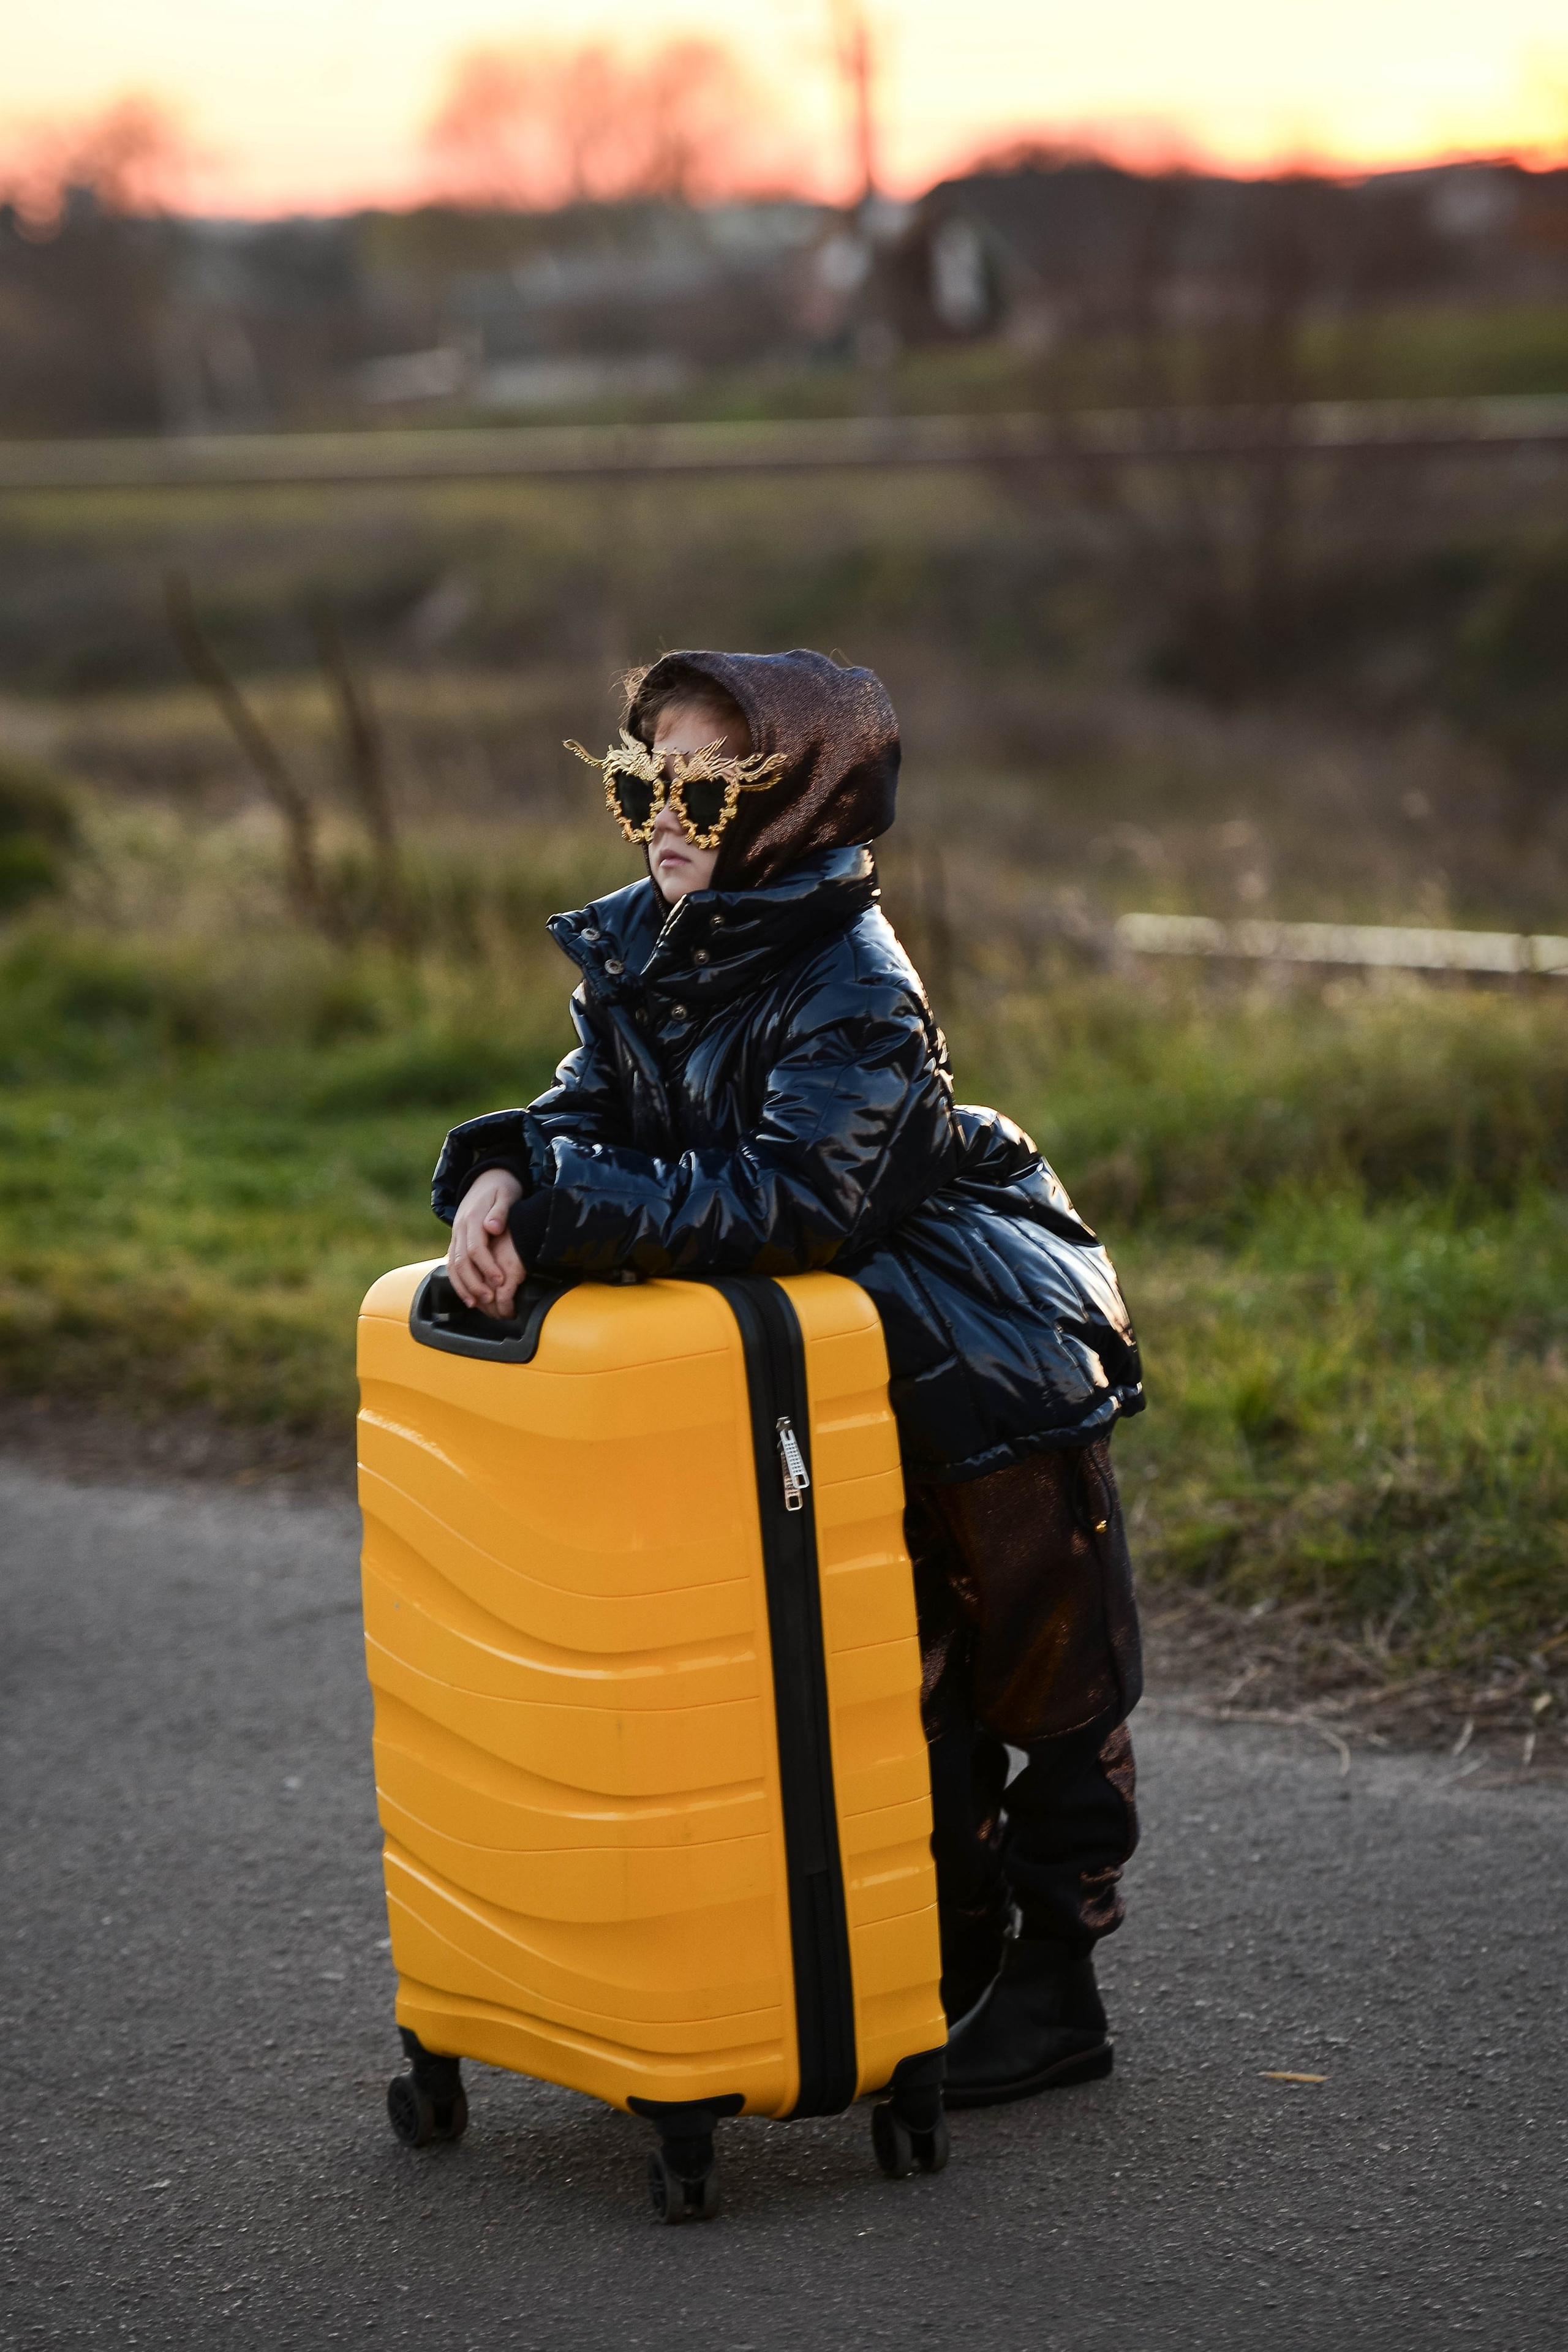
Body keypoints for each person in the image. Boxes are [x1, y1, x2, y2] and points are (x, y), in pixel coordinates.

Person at [432, 649, 1144, 2109]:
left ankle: (1056, 1985)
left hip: (971, 1366)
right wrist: (506, 1167)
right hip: (803, 1378)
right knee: (887, 1675)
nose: (664, 815)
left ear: (803, 796)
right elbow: (587, 1107)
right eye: (639, 781)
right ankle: (924, 1964)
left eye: (701, 783)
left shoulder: (854, 983)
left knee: (1042, 1675)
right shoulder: (645, 943)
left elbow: (794, 1202)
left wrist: (567, 1199)